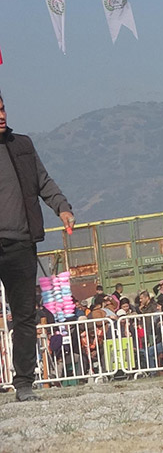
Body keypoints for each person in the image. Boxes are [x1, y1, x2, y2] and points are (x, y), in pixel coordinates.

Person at [0, 91, 75, 402]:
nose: (1, 115)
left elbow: (43, 181)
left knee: (24, 315)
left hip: (20, 242)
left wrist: (62, 207)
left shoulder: (23, 145)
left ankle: (24, 383)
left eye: (2, 108)